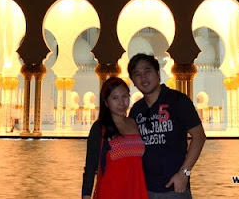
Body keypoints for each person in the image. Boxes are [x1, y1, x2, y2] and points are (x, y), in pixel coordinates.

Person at [128, 53, 206, 198]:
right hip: (145, 189)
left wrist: (184, 173)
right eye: (137, 74)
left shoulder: (178, 101)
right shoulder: (136, 110)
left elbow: (199, 136)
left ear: (158, 73)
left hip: (175, 189)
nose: (143, 77)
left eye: (147, 71)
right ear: (133, 81)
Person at [82, 76, 148, 199]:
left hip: (137, 191)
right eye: (115, 98)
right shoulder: (100, 128)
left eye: (125, 96)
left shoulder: (134, 123)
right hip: (111, 192)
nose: (121, 103)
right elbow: (90, 168)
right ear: (106, 102)